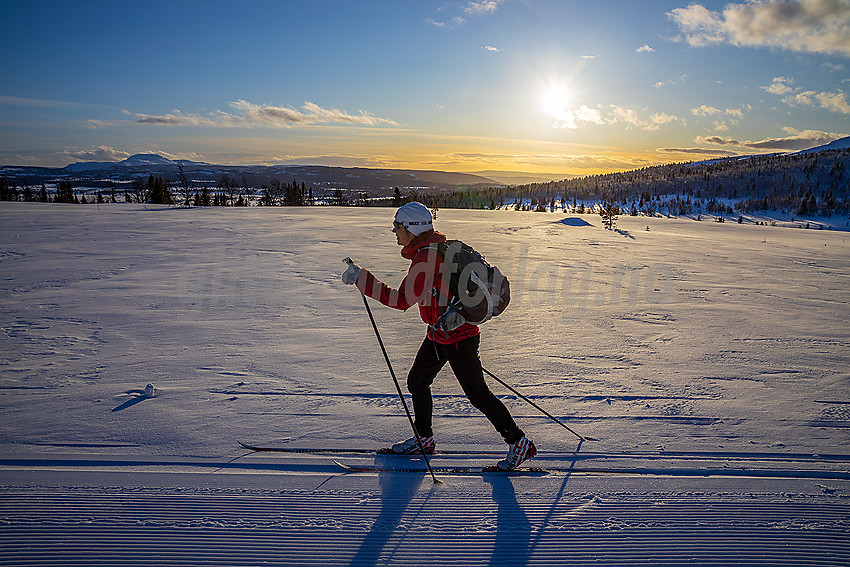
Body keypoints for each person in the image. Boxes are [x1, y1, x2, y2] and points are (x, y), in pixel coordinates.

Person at [342, 202, 536, 470]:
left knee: (478, 394)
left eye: (397, 226)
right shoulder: (434, 250)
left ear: (410, 228)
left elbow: (401, 300)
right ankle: (424, 438)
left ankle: (518, 442)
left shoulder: (427, 258)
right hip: (439, 334)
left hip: (458, 336)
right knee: (418, 381)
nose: (394, 231)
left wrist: (363, 279)